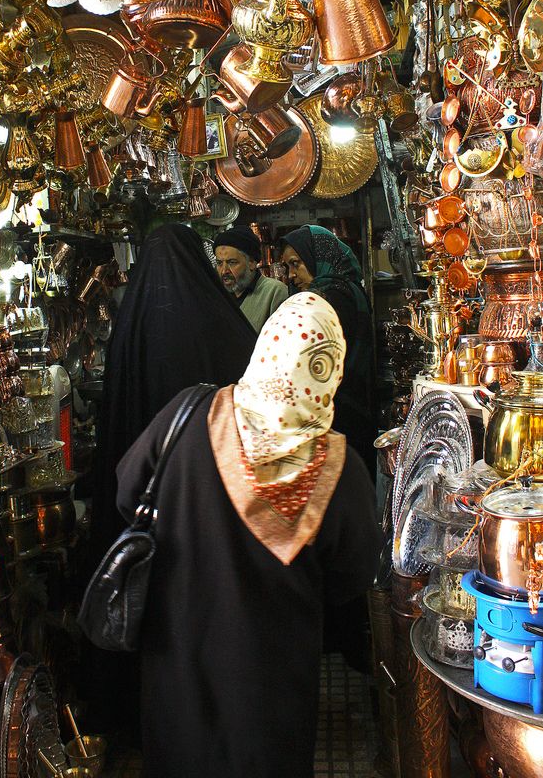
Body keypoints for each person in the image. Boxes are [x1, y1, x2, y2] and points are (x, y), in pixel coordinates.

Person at [116, 293, 381, 778]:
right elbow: (354, 573)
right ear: (329, 369)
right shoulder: (340, 470)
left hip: (177, 652)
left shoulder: (190, 414)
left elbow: (127, 489)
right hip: (272, 678)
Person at [83, 224, 257, 735]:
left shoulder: (132, 327)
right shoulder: (221, 322)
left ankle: (148, 721)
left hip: (146, 508)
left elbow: (116, 420)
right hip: (216, 507)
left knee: (156, 616)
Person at [280, 225, 377, 474]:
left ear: (317, 258)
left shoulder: (327, 297)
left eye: (296, 264)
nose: (291, 275)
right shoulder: (350, 288)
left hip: (335, 413)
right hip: (355, 407)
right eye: (288, 266)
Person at [213, 225, 288, 332]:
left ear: (252, 262)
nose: (224, 271)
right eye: (219, 263)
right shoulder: (218, 295)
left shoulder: (274, 292)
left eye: (232, 262)